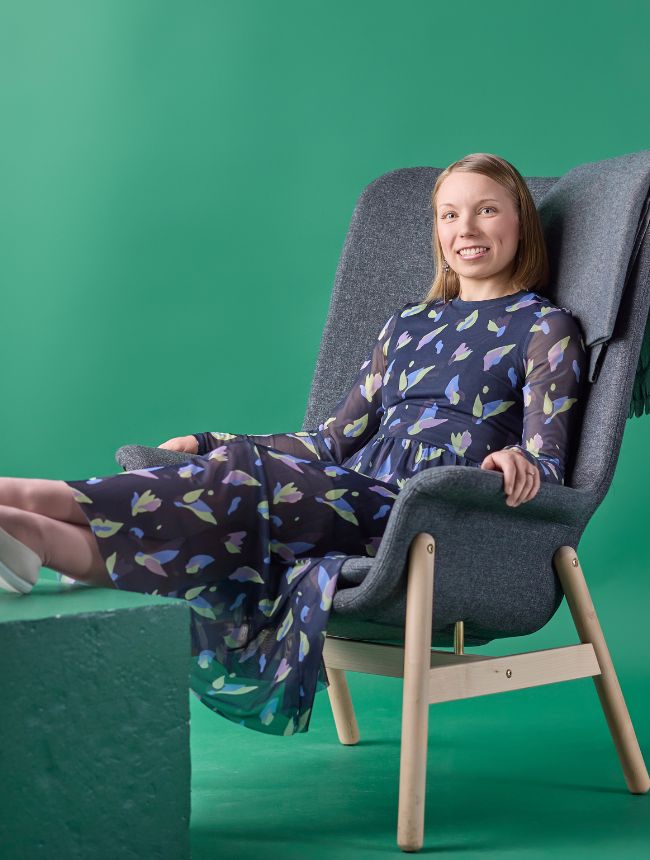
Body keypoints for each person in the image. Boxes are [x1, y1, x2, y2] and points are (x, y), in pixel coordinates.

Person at [0, 152, 587, 736]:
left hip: (425, 514)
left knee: (242, 478)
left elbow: (549, 462)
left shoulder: (544, 327)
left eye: (487, 211)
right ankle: (37, 539)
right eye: (450, 215)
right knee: (227, 507)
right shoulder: (409, 324)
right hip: (353, 490)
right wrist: (210, 441)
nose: (467, 229)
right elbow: (331, 441)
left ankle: (27, 499)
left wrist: (515, 461)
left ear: (520, 221)